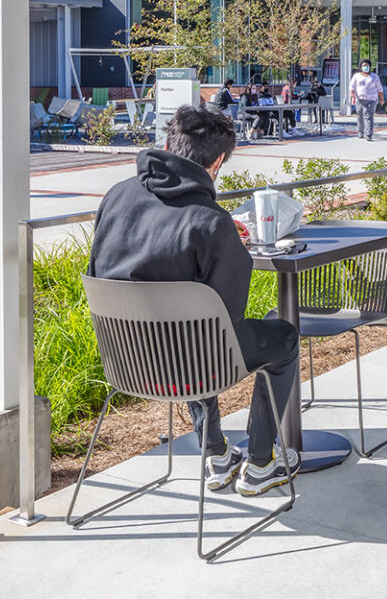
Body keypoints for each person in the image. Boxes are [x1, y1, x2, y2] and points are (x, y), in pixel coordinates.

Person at [89, 107, 299, 496]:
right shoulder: (211, 221)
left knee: (187, 332)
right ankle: (260, 464)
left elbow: (98, 267)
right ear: (217, 162)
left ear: (168, 144)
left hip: (124, 362)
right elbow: (226, 322)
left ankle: (217, 456)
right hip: (188, 365)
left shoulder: (116, 197)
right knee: (279, 337)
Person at [347, 59, 384, 141]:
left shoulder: (374, 76)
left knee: (368, 116)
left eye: (367, 66)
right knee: (360, 116)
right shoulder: (357, 76)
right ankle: (361, 132)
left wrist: (381, 98)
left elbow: (379, 88)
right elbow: (352, 86)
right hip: (359, 99)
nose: (365, 67)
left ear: (370, 67)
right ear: (360, 67)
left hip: (371, 100)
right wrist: (352, 94)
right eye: (364, 66)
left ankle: (369, 134)